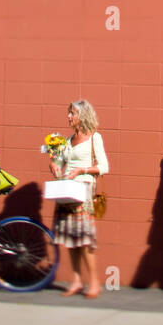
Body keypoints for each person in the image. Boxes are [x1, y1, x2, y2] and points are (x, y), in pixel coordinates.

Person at [48, 99, 109, 298]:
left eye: (72, 113)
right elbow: (58, 163)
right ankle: (75, 280)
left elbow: (104, 167)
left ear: (82, 116)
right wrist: (55, 166)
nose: (69, 117)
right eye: (69, 113)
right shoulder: (66, 140)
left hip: (84, 190)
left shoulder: (94, 138)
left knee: (84, 239)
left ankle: (94, 283)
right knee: (70, 238)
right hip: (67, 191)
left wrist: (81, 169)